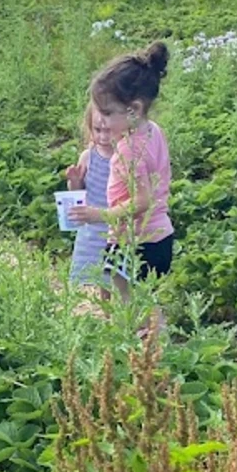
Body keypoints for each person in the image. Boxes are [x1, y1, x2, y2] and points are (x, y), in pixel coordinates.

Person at [68, 41, 173, 304]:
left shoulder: (128, 148)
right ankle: (158, 341)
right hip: (160, 237)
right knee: (147, 305)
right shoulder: (153, 131)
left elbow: (142, 201)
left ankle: (138, 345)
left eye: (106, 113)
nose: (100, 120)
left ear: (134, 109)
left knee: (127, 310)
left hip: (133, 241)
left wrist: (98, 214)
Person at [65, 101, 114, 290]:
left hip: (114, 226)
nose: (103, 136)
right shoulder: (88, 156)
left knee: (112, 280)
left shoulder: (124, 157)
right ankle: (95, 314)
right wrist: (75, 181)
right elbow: (78, 195)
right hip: (89, 231)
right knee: (88, 278)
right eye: (97, 130)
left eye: (108, 130)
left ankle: (110, 316)